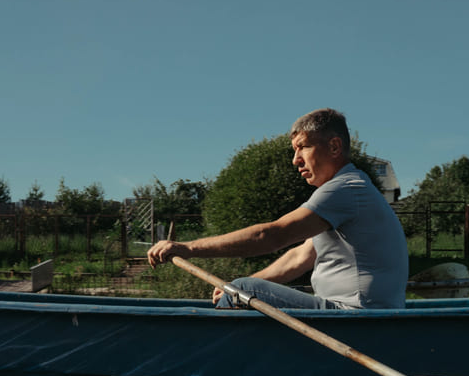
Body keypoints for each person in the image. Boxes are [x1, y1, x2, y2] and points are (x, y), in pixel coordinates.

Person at [147, 108, 408, 309]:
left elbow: (271, 236)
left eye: (303, 147)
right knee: (242, 288)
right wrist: (236, 287)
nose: (295, 160)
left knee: (244, 288)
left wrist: (189, 248)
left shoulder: (345, 189)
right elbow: (299, 257)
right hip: (359, 314)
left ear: (334, 146)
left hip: (353, 317)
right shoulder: (353, 188)